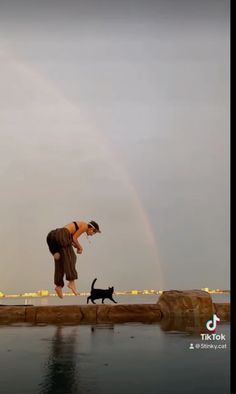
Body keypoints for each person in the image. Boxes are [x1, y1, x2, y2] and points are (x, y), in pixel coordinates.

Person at [46, 220, 101, 298]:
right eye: (94, 233)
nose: (92, 235)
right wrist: (80, 247)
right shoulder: (85, 226)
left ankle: (58, 286)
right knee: (71, 258)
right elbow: (74, 238)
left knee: (60, 261)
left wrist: (75, 245)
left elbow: (70, 239)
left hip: (52, 237)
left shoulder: (76, 227)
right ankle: (71, 282)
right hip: (61, 234)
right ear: (91, 228)